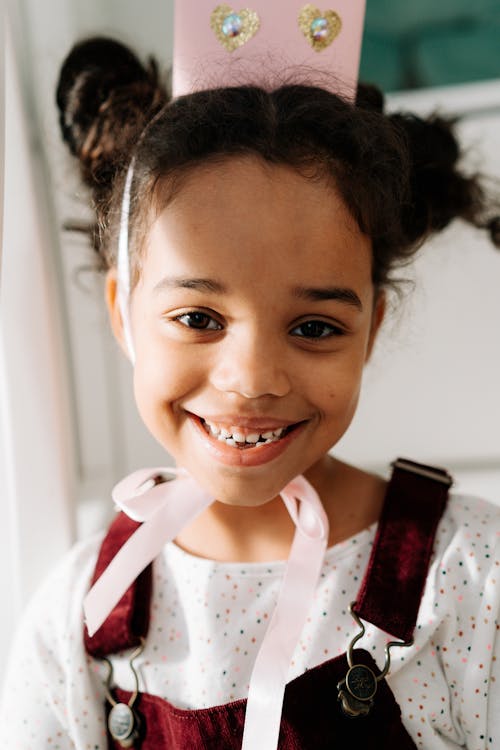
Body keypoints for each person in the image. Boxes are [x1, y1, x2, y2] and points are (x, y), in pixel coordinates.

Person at [2, 31, 500, 750]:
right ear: (122, 314)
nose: (254, 378)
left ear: (371, 327)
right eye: (199, 318)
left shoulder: (472, 578)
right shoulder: (77, 618)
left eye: (315, 327)